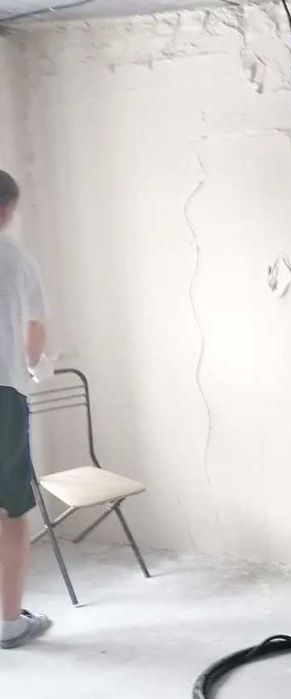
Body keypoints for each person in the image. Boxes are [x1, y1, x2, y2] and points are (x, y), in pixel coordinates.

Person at [0, 169, 53, 650]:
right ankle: (10, 622)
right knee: (10, 510)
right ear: (9, 210)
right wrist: (31, 365)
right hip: (3, 393)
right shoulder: (17, 259)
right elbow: (35, 336)